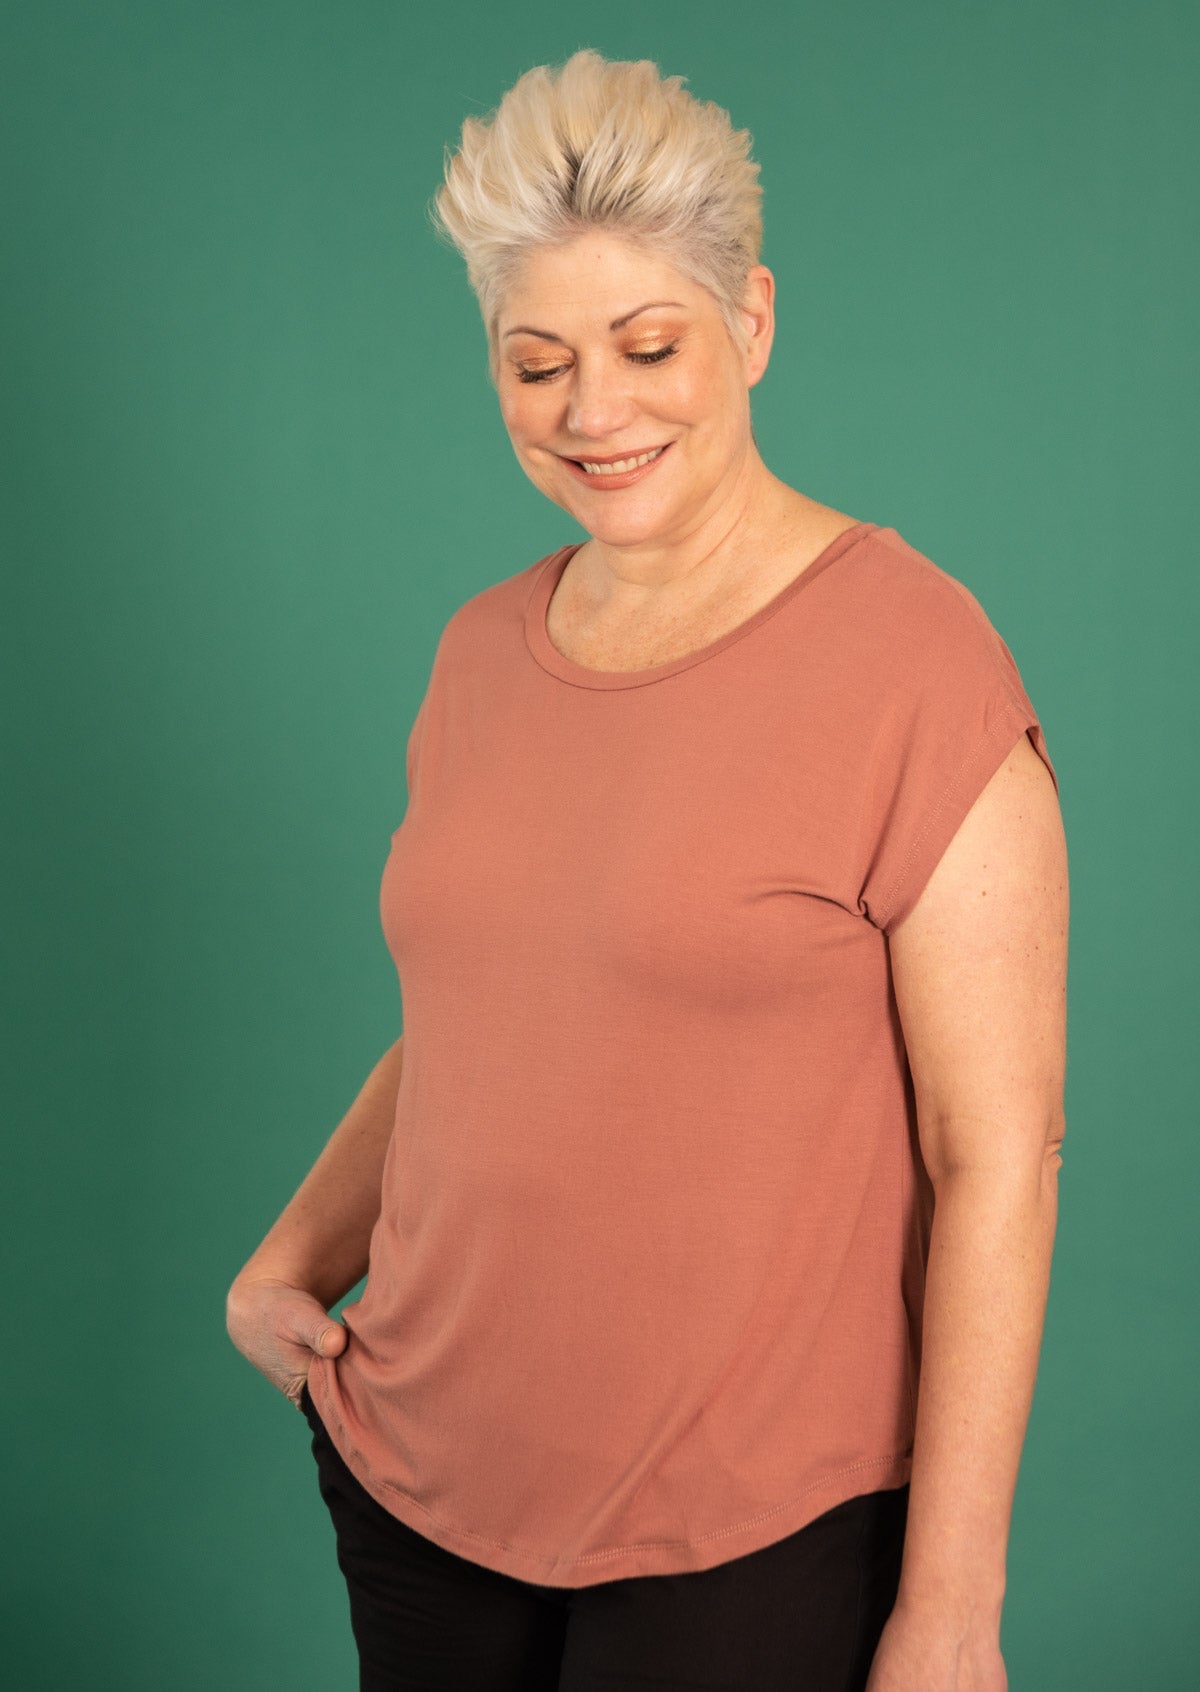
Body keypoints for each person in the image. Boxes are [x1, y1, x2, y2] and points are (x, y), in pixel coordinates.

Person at [226, 48, 1068, 1692]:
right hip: (422, 1481)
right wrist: (291, 1258)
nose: (593, 412)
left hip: (748, 1538)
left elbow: (999, 1159)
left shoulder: (918, 662)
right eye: (537, 363)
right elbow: (487, 1013)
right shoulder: (480, 651)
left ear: (750, 322)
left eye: (647, 345)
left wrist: (953, 1613)